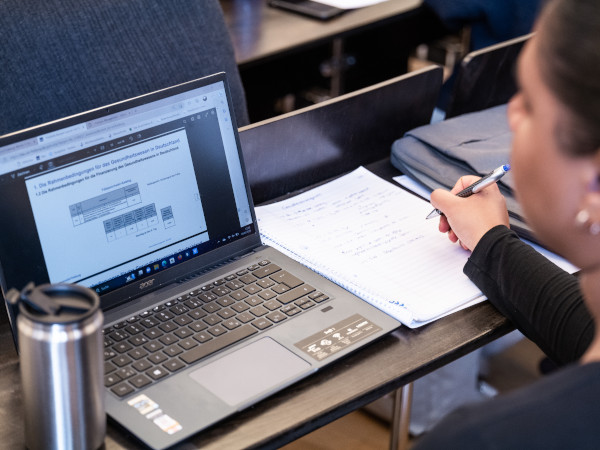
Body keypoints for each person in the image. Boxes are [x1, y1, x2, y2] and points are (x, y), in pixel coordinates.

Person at [413, 0, 600, 447]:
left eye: (531, 104)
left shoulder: (479, 440)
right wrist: (491, 241)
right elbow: (583, 329)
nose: (512, 114)